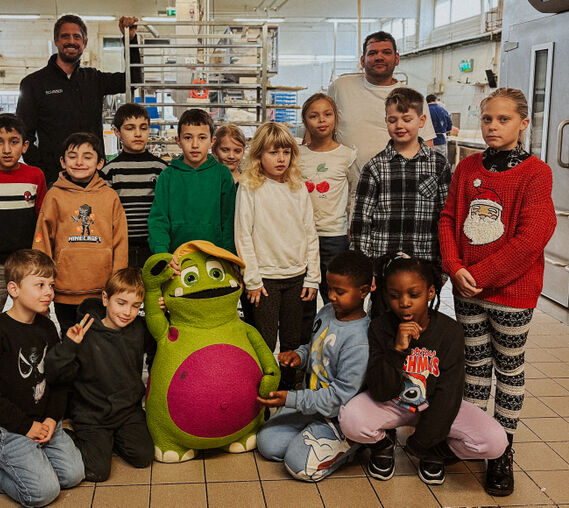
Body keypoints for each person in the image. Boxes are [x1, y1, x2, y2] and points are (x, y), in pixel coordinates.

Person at [438, 87, 557, 496]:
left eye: (503, 120)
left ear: (523, 124)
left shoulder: (536, 173)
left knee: (507, 368)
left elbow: (531, 238)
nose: (493, 126)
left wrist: (481, 273)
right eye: (488, 118)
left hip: (511, 293)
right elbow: (449, 217)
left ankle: (502, 450)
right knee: (474, 367)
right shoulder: (467, 166)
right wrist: (454, 267)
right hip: (467, 288)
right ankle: (473, 438)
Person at [339, 253, 508, 486]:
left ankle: (437, 453)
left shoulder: (450, 332)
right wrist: (397, 349)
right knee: (350, 420)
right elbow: (379, 391)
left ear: (430, 292)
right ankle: (383, 445)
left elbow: (449, 394)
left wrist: (423, 443)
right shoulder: (379, 327)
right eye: (394, 296)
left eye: (414, 294)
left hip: (437, 407)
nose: (404, 302)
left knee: (495, 441)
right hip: (393, 404)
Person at [256, 250, 372, 482]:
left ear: (364, 292)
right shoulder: (328, 312)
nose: (331, 297)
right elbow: (316, 348)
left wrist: (290, 399)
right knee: (267, 444)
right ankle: (309, 436)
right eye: (329, 289)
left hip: (337, 416)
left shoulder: (360, 340)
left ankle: (351, 445)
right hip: (312, 406)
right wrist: (300, 356)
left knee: (299, 466)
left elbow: (339, 397)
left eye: (340, 292)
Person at [46, 268, 154, 482]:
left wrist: (160, 309)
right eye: (121, 303)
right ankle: (72, 437)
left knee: (143, 457)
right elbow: (53, 372)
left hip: (127, 411)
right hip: (92, 415)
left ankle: (110, 441)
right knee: (98, 472)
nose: (127, 312)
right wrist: (70, 345)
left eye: (135, 306)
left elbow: (163, 338)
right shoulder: (85, 331)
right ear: (105, 299)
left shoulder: (139, 328)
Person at [350, 87, 451, 317]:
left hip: (423, 266)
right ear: (386, 121)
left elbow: (446, 219)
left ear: (421, 120)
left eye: (407, 119)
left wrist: (442, 270)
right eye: (393, 120)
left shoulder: (438, 165)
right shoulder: (375, 167)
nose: (400, 125)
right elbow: (361, 222)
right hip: (383, 269)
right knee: (381, 328)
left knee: (419, 330)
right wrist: (367, 269)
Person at [234, 122, 320, 389]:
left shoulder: (298, 187)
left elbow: (310, 232)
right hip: (265, 282)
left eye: (285, 152)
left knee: (293, 339)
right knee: (264, 340)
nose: (281, 158)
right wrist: (253, 280)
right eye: (273, 152)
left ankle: (288, 390)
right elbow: (243, 235)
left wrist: (312, 278)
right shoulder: (250, 186)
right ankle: (260, 388)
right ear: (259, 155)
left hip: (296, 277)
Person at [0, 249, 84, 506]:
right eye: (40, 285)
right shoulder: (2, 331)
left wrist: (51, 417)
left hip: (45, 420)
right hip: (11, 426)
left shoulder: (47, 328)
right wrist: (26, 427)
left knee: (73, 475)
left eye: (51, 285)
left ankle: (33, 459)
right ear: (14, 289)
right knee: (43, 492)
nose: (49, 291)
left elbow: (59, 380)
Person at [16, 15, 142, 186]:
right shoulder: (33, 84)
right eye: (65, 36)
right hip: (55, 180)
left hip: (93, 179)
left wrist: (131, 40)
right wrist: (44, 170)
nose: (71, 41)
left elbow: (133, 80)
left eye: (77, 37)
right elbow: (24, 135)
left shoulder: (94, 79)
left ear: (85, 43)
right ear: (56, 40)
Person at [33, 132, 128, 335]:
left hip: (101, 291)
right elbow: (42, 241)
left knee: (98, 344)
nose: (79, 162)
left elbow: (120, 241)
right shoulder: (54, 196)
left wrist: (117, 284)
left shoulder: (109, 197)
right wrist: (41, 282)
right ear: (62, 161)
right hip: (63, 291)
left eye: (87, 157)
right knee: (69, 340)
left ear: (100, 162)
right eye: (73, 156)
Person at [328, 31, 436, 203]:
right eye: (372, 53)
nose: (379, 57)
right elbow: (321, 128)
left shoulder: (412, 97)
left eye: (386, 52)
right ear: (362, 61)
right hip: (345, 191)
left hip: (395, 191)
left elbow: (427, 148)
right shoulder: (341, 87)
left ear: (397, 59)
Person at [148, 109, 236, 255]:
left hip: (216, 257)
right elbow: (159, 220)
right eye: (188, 138)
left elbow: (229, 221)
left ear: (212, 141)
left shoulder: (222, 175)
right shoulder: (167, 176)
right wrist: (162, 253)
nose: (195, 145)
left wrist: (228, 256)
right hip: (176, 258)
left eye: (202, 138)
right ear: (178, 141)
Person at [101, 103, 168, 268]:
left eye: (143, 128)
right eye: (130, 128)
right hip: (121, 247)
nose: (138, 134)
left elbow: (166, 210)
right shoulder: (109, 171)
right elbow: (105, 213)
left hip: (153, 247)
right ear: (117, 132)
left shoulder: (161, 169)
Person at [0, 114, 47, 311]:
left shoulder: (35, 175)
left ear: (25, 146)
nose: (7, 149)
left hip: (28, 263)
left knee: (36, 314)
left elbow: (43, 220)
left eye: (14, 142)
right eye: (0, 142)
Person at [426, 94, 459, 158]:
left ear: (426, 101)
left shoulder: (423, 112)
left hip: (427, 142)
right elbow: (449, 127)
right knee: (441, 163)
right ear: (435, 100)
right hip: (440, 142)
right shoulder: (443, 111)